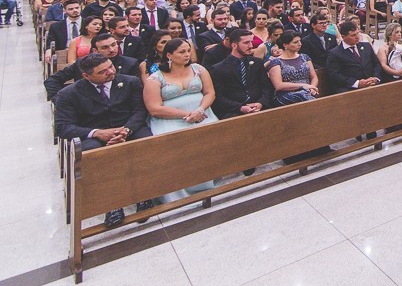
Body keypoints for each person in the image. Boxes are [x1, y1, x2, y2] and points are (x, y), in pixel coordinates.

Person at [54, 52, 154, 225]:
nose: (110, 72)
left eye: (110, 66)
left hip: (127, 128)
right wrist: (97, 133)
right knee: (93, 153)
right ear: (86, 76)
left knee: (146, 142)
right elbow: (63, 127)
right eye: (102, 72)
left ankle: (144, 195)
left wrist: (126, 130)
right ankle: (111, 204)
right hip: (94, 133)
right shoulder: (68, 94)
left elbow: (139, 111)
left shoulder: (130, 82)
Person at [143, 38, 220, 201]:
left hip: (202, 114)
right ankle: (180, 191)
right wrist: (186, 114)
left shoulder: (199, 69)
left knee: (211, 139)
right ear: (169, 55)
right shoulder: (155, 78)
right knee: (175, 148)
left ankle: (207, 183)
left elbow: (210, 92)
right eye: (182, 52)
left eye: (188, 51)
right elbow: (154, 108)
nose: (187, 54)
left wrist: (200, 110)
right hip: (170, 119)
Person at [44, 32, 140, 99]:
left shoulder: (130, 63)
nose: (112, 50)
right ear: (95, 50)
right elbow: (52, 80)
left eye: (113, 45)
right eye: (105, 47)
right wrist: (59, 101)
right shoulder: (82, 63)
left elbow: (134, 91)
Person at [208, 29, 271, 120]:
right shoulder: (218, 69)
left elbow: (266, 87)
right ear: (234, 45)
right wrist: (240, 107)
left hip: (260, 108)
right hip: (233, 112)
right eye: (246, 43)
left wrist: (261, 103)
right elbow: (219, 97)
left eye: (251, 42)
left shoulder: (257, 63)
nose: (251, 46)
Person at [325, 19, 382, 93]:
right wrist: (357, 83)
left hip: (372, 83)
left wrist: (375, 78)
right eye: (353, 35)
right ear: (343, 37)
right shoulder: (335, 53)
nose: (357, 37)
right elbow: (335, 75)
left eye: (357, 33)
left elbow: (376, 64)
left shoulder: (366, 46)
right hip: (350, 88)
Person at [265, 31, 320, 105]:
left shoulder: (304, 57)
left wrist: (312, 87)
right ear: (285, 45)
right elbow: (279, 85)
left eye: (300, 41)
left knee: (306, 95)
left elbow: (314, 77)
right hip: (286, 94)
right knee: (302, 95)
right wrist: (303, 86)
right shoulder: (276, 62)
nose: (300, 44)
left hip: (307, 91)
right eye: (295, 42)